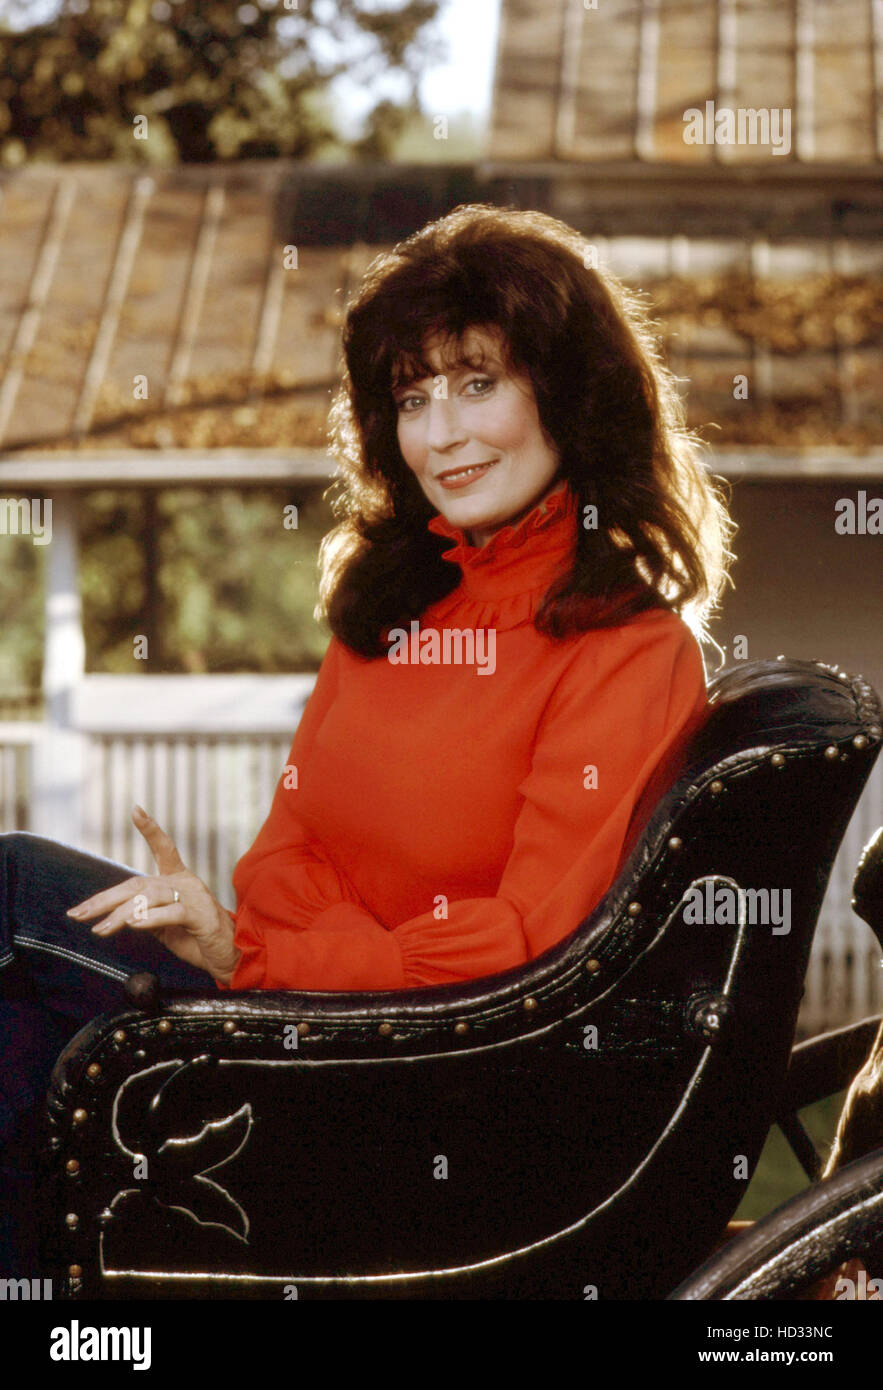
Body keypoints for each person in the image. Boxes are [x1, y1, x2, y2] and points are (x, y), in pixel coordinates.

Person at [0, 203, 732, 1272]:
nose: (441, 433)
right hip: (309, 1013)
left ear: (568, 395)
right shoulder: (394, 610)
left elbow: (527, 946)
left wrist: (269, 958)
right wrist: (289, 958)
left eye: (478, 383)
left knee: (13, 887)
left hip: (433, 1073)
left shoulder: (625, 645)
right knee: (19, 1048)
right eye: (412, 396)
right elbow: (283, 852)